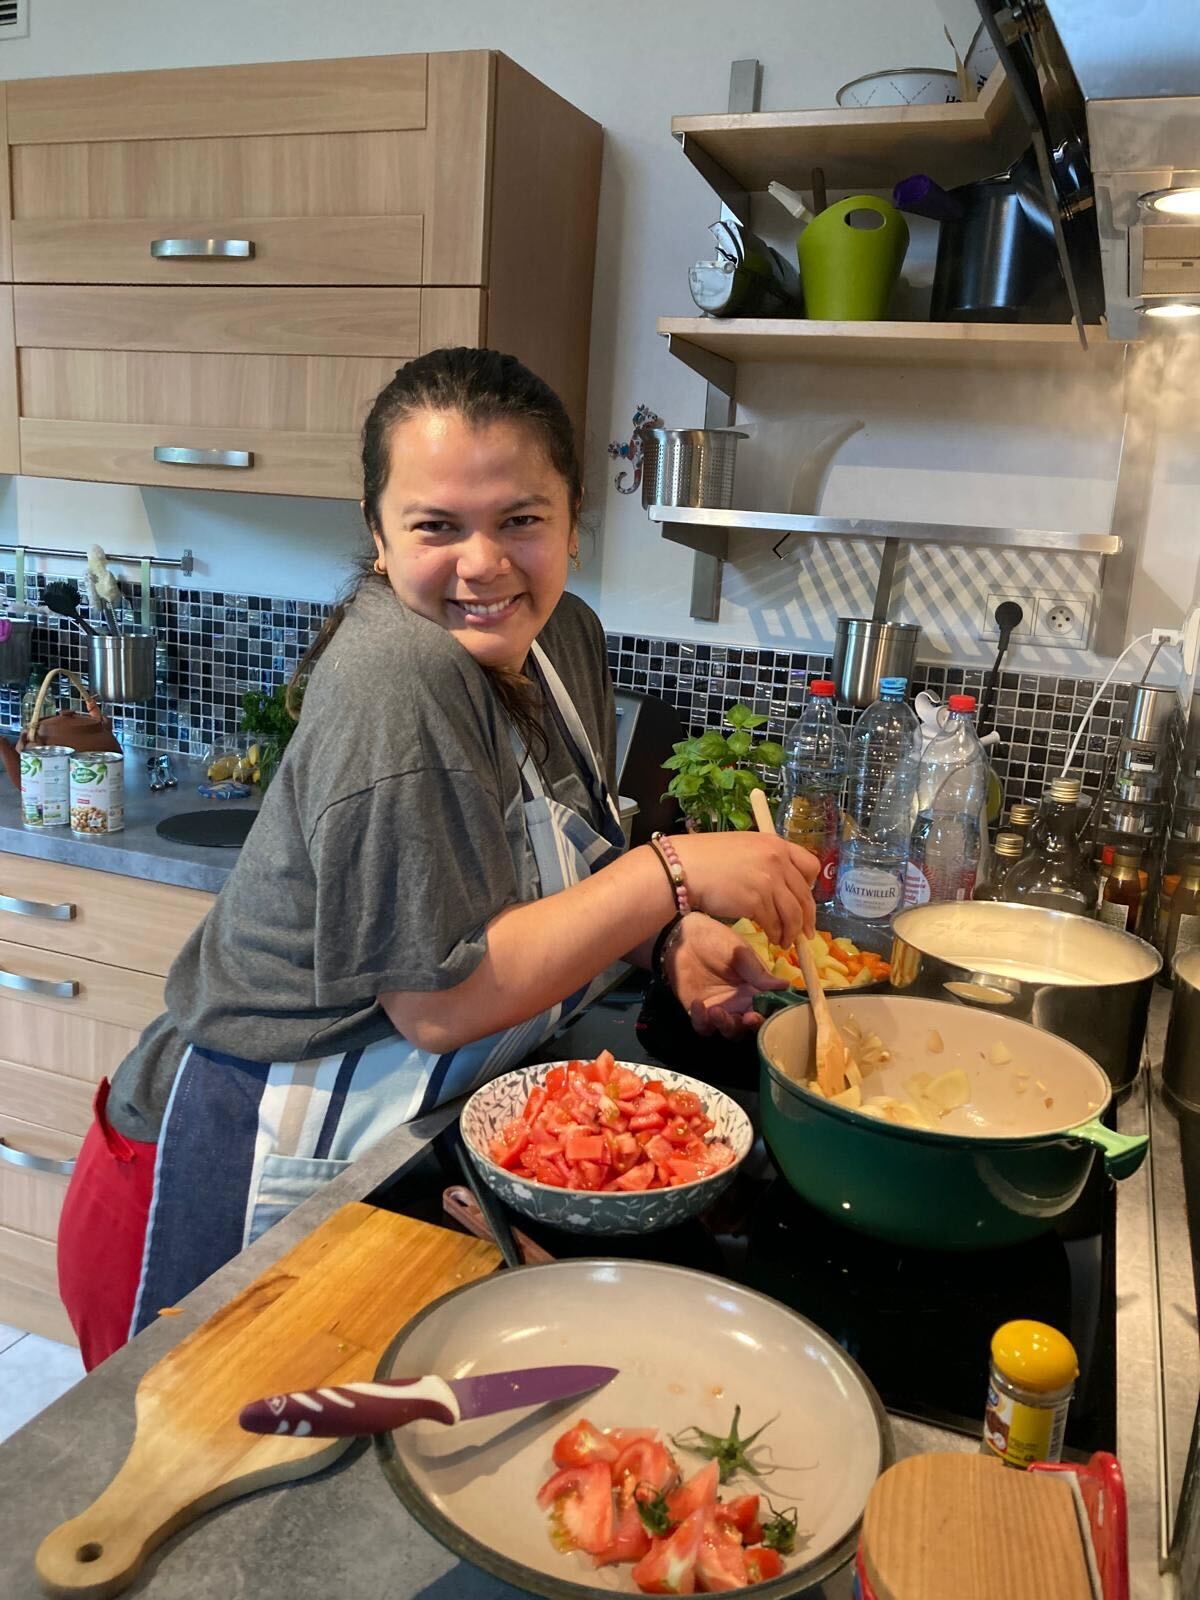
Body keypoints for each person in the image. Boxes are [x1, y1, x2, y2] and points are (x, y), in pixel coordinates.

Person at [57, 348, 817, 1369]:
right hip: (220, 1175)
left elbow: (559, 892)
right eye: (435, 525)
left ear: (573, 520)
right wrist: (670, 875)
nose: (483, 562)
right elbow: (439, 1001)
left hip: (398, 1147)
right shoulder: (396, 673)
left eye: (520, 520)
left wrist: (664, 943)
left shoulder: (564, 640)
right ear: (377, 537)